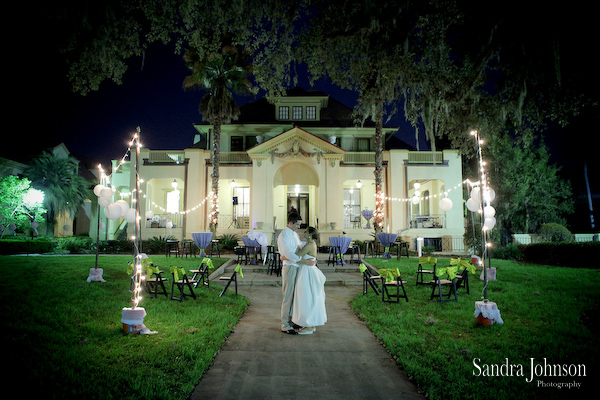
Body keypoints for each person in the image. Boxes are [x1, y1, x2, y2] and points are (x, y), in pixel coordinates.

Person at [277, 212, 316, 335]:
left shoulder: (294, 234)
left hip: (297, 267)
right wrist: (305, 261)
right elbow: (289, 255)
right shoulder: (283, 236)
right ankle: (285, 324)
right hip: (289, 268)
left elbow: (299, 248)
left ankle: (292, 320)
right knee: (287, 296)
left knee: (295, 296)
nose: (299, 227)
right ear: (291, 223)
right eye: (297, 224)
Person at [292, 226, 327, 334]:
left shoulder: (308, 246)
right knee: (309, 297)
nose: (304, 232)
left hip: (307, 272)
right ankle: (310, 324)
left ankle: (308, 325)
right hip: (310, 270)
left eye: (306, 232)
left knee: (306, 298)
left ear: (310, 235)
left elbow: (295, 257)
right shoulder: (311, 244)